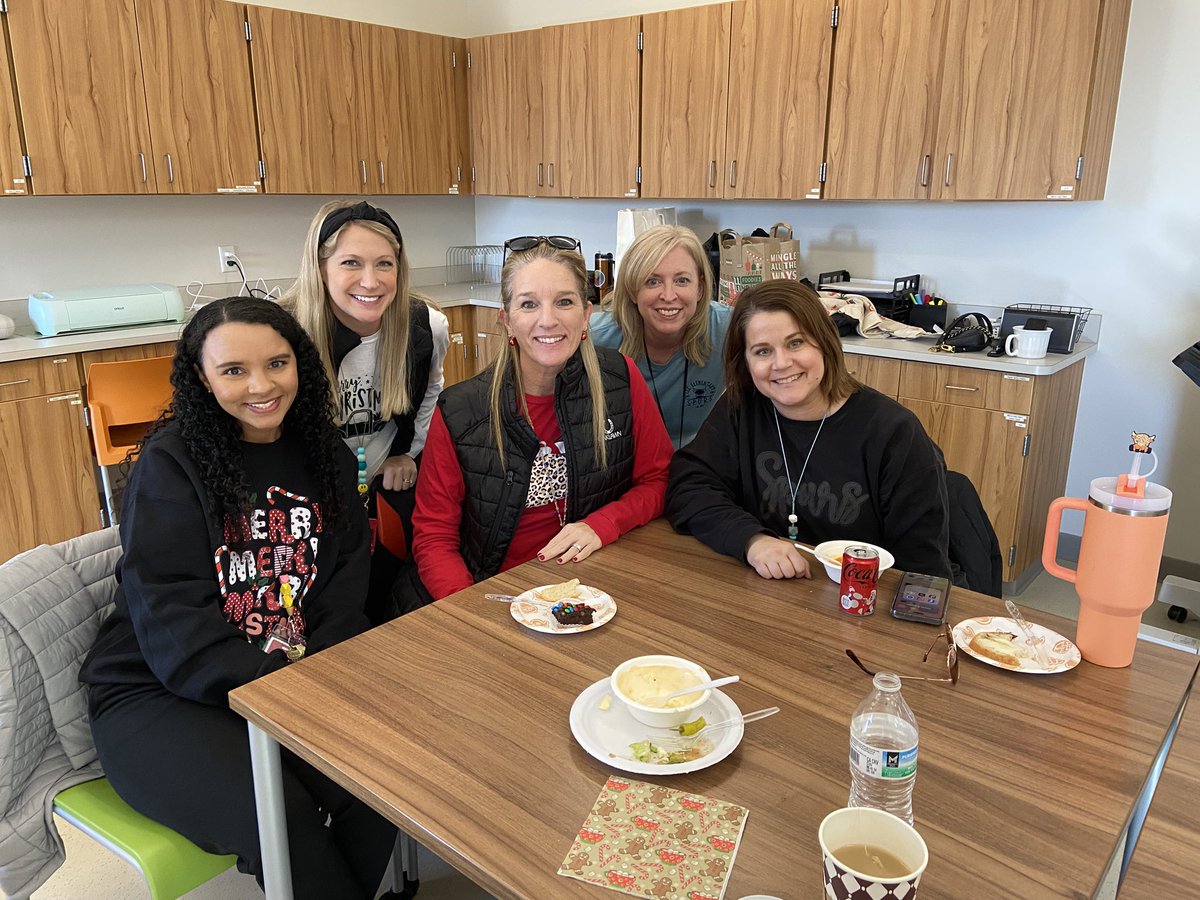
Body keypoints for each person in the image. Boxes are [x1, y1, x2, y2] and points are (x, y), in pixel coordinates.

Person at [79, 297, 403, 899]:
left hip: (294, 676)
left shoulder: (327, 454)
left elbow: (343, 588)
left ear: (300, 363)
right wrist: (278, 690)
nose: (261, 386)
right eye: (234, 370)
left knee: (386, 778)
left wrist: (314, 679)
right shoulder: (170, 464)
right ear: (202, 378)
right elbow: (172, 617)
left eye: (277, 363)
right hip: (161, 690)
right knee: (282, 816)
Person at [411, 236, 674, 601]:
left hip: (599, 587)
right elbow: (434, 537)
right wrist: (471, 612)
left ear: (586, 314)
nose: (548, 320)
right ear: (506, 321)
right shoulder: (459, 412)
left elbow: (659, 479)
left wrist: (602, 524)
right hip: (498, 595)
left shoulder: (621, 379)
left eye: (564, 302)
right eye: (528, 304)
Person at [665, 279, 952, 582]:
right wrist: (752, 540)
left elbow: (923, 572)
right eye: (762, 351)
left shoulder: (894, 433)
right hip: (762, 593)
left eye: (796, 343)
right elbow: (688, 487)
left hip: (859, 600)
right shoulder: (740, 408)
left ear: (824, 342)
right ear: (745, 362)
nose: (781, 363)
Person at [284, 199, 449, 619]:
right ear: (320, 268)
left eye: (384, 264)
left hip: (380, 491)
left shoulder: (424, 327)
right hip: (309, 496)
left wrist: (407, 452)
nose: (371, 281)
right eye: (351, 263)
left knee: (384, 601)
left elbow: (431, 390)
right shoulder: (284, 334)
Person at [591, 224, 731, 448]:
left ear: (700, 289)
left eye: (682, 280)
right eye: (652, 281)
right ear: (633, 290)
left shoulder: (728, 329)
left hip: (695, 460)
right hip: (623, 460)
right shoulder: (595, 339)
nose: (668, 295)